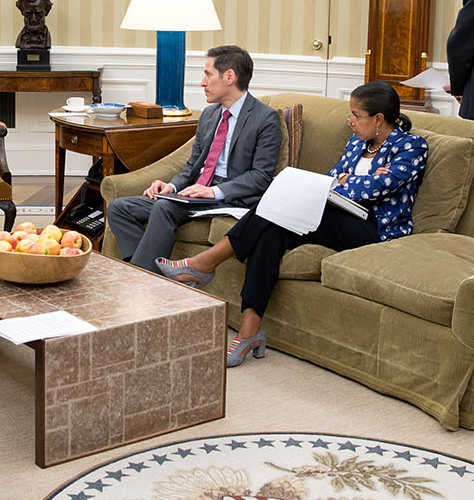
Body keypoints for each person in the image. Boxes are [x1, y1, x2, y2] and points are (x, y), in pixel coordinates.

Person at [155, 81, 428, 367]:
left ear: (379, 119)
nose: (351, 121)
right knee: (273, 228)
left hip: (373, 228)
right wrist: (353, 181)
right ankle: (249, 331)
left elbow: (375, 189)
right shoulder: (358, 141)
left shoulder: (411, 146)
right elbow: (332, 179)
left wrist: (351, 180)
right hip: (337, 213)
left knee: (281, 206)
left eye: (356, 116)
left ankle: (206, 263)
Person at [106, 45, 283, 276]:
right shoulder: (209, 115)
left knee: (164, 207)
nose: (202, 82)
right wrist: (171, 186)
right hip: (193, 194)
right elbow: (192, 166)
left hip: (229, 198)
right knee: (119, 208)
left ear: (229, 76)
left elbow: (261, 176)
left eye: (208, 74)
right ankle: (147, 274)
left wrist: (214, 191)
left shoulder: (265, 118)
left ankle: (138, 282)